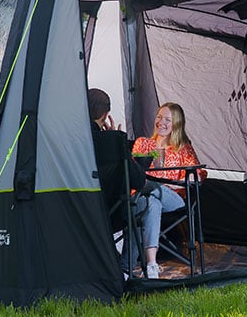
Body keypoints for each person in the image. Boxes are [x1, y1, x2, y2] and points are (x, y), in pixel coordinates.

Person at [131, 102, 207, 279]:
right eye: (159, 117)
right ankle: (151, 264)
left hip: (173, 197)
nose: (161, 122)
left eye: (167, 119)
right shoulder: (143, 144)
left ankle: (129, 265)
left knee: (153, 189)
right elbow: (133, 171)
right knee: (152, 203)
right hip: (145, 197)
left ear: (176, 124)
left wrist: (174, 183)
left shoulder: (182, 148)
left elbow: (199, 174)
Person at [87, 88, 149, 280]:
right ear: (106, 115)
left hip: (80, 209)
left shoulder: (73, 139)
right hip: (112, 213)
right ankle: (125, 267)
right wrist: (115, 139)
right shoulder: (114, 141)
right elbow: (138, 181)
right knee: (144, 204)